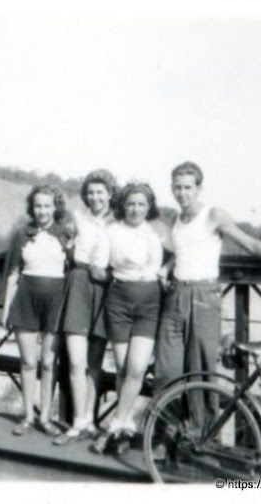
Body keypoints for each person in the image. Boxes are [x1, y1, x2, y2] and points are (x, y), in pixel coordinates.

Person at [154, 161, 261, 391]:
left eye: (187, 187)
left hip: (203, 296)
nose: (182, 193)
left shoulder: (213, 215)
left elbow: (250, 244)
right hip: (176, 294)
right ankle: (168, 426)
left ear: (198, 189)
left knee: (201, 369)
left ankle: (199, 426)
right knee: (167, 368)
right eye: (177, 187)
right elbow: (181, 250)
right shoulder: (176, 219)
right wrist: (166, 268)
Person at [91, 183, 165, 453]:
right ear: (123, 205)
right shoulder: (111, 231)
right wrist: (116, 276)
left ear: (149, 207)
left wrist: (166, 269)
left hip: (149, 302)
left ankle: (115, 423)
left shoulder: (156, 231)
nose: (136, 209)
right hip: (119, 301)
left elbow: (180, 252)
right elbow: (97, 268)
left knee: (136, 369)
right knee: (123, 368)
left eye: (141, 205)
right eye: (131, 204)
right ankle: (125, 426)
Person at [0, 184, 74, 436]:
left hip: (56, 302)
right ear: (32, 207)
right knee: (29, 361)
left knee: (49, 362)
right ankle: (28, 415)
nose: (42, 211)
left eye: (47, 206)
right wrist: (5, 308)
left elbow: (75, 271)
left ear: (56, 207)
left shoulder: (66, 235)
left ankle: (46, 417)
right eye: (38, 206)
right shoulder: (22, 235)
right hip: (25, 301)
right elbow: (11, 273)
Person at [53, 170, 118, 446]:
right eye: (90, 192)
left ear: (110, 194)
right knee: (76, 360)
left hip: (106, 289)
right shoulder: (77, 219)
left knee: (94, 363)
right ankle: (78, 422)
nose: (95, 197)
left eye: (100, 192)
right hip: (79, 284)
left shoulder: (119, 222)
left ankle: (89, 421)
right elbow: (60, 241)